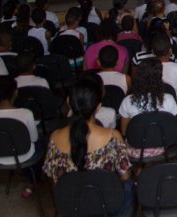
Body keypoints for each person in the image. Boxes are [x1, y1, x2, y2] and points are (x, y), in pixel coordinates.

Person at [43, 78, 133, 216]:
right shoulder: (113, 137)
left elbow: (53, 180)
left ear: (68, 102)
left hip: (71, 205)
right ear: (98, 107)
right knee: (129, 186)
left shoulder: (54, 137)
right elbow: (125, 176)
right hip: (106, 205)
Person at [0, 76, 42, 198]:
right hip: (23, 156)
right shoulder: (26, 113)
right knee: (42, 142)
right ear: (16, 92)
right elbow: (34, 138)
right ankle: (31, 181)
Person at [119, 58, 177, 160]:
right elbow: (173, 126)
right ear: (159, 77)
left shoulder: (128, 101)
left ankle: (142, 168)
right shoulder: (169, 99)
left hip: (137, 148)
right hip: (163, 146)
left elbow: (124, 132)